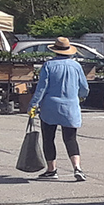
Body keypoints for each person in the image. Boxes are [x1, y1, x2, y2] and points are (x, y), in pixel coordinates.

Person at [30, 37, 90, 181]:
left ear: (55, 51)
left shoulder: (48, 66)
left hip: (50, 106)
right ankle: (77, 168)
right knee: (70, 138)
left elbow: (41, 88)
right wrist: (80, 97)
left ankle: (52, 170)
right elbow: (84, 88)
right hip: (70, 106)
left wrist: (33, 104)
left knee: (48, 138)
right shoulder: (76, 66)